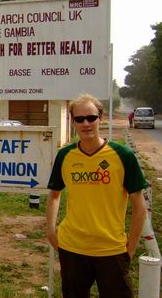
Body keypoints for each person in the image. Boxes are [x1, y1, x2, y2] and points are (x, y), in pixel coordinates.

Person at [46, 94, 148, 298]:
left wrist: (131, 247)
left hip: (112, 250)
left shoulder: (123, 155)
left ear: (100, 117)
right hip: (72, 248)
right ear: (72, 121)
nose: (86, 123)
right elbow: (55, 194)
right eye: (79, 119)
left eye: (91, 118)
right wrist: (50, 231)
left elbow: (139, 205)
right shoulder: (65, 155)